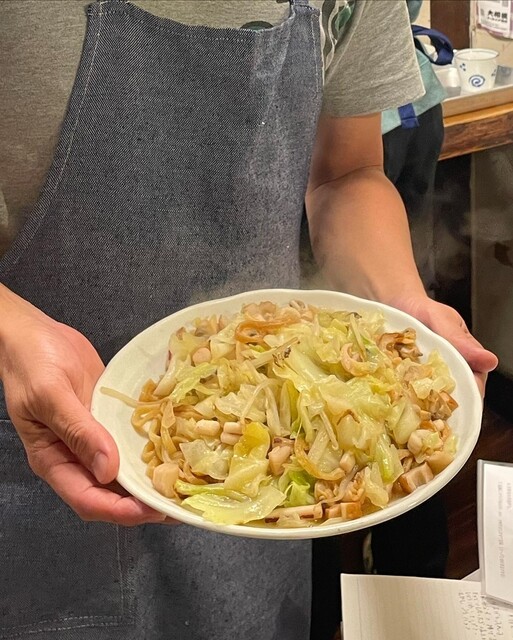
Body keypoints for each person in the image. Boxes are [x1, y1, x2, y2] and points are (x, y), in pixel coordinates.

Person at [0, 2, 497, 640]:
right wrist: (11, 334)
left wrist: (401, 305)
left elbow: (347, 173)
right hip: (34, 456)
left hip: (267, 488)